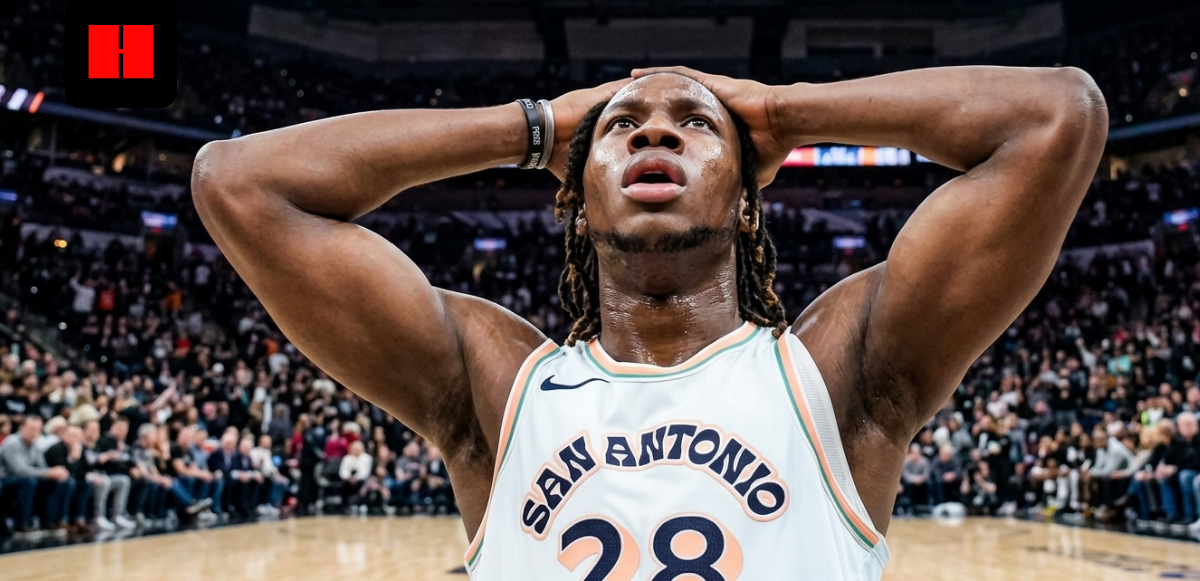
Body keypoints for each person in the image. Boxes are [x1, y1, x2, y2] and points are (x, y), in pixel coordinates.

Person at [194, 64, 1107, 578]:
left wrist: (779, 111)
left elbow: (1056, 117)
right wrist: (540, 126)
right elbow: (240, 183)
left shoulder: (838, 375)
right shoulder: (500, 388)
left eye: (695, 125)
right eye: (622, 125)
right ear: (578, 202)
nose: (654, 133)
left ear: (749, 200)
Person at [0, 416, 72, 534]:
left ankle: (52, 521)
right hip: (6, 478)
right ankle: (22, 524)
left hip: (25, 478)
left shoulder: (35, 444)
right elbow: (19, 471)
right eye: (32, 428)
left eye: (38, 429)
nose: (35, 432)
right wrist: (49, 473)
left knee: (62, 481)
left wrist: (55, 473)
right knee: (29, 482)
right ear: (22, 428)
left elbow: (42, 467)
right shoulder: (12, 442)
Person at [82, 419, 135, 530]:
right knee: (104, 481)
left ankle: (118, 515)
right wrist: (104, 458)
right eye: (92, 429)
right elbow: (86, 465)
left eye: (97, 429)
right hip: (87, 477)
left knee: (123, 480)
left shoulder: (96, 444)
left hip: (101, 475)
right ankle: (98, 516)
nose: (95, 432)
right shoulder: (82, 444)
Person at [42, 424, 92, 534]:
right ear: (64, 435)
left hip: (71, 479)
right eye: (72, 435)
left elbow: (85, 470)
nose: (75, 439)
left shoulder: (80, 448)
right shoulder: (56, 449)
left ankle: (79, 518)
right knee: (69, 483)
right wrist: (73, 458)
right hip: (51, 480)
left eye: (77, 436)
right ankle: (61, 519)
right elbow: (63, 471)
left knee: (85, 484)